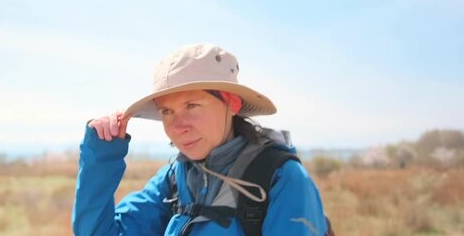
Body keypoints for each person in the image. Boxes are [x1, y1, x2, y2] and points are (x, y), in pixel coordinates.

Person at [72, 44, 332, 235]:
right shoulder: (175, 178)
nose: (178, 126)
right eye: (167, 111)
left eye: (192, 105)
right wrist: (101, 156)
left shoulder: (281, 178)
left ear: (232, 102)